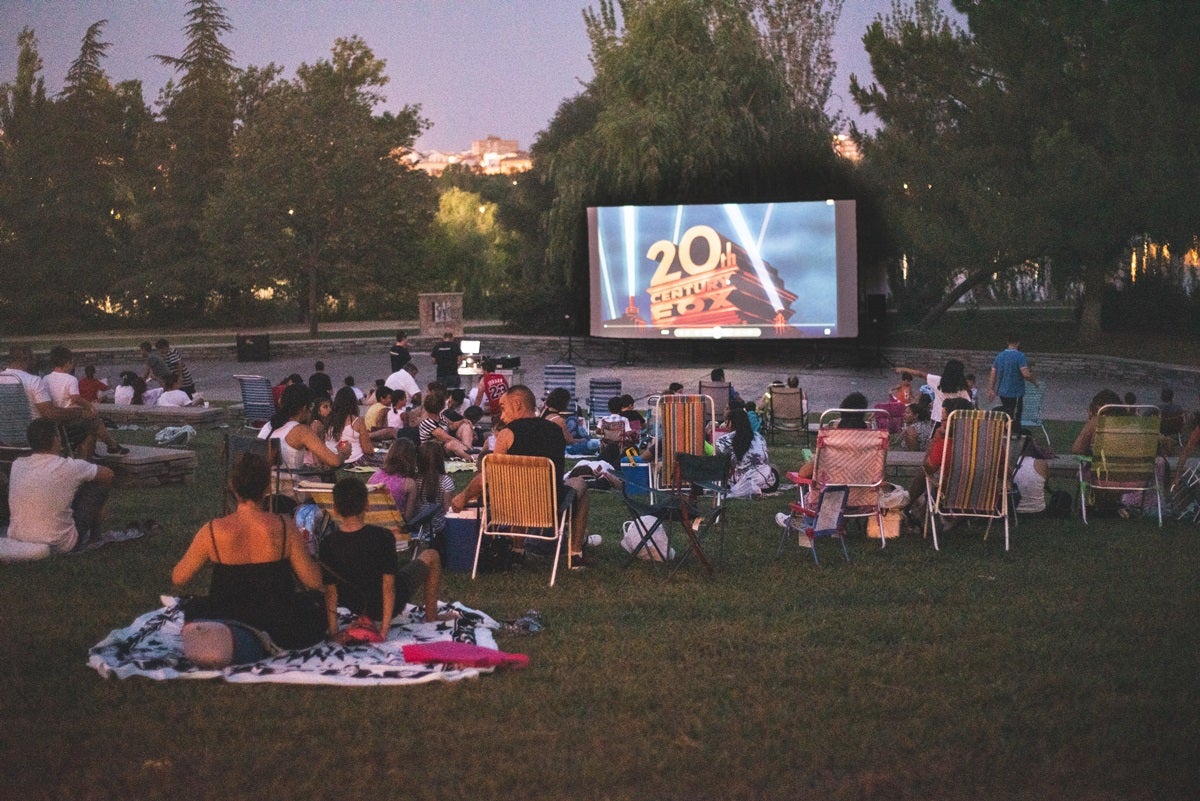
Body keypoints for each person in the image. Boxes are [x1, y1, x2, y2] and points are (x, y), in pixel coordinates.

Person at [172, 452, 326, 663]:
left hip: (227, 619)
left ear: (233, 487)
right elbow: (313, 581)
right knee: (317, 604)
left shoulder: (213, 530)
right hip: (280, 625)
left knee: (194, 607)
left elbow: (179, 578)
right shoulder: (283, 526)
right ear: (267, 488)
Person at [450, 385, 593, 566]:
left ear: (517, 404)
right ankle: (575, 553)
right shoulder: (556, 430)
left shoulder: (506, 434)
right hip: (550, 507)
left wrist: (463, 496)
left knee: (516, 484)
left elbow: (489, 476)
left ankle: (518, 550)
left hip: (512, 507)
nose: (501, 416)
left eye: (503, 408)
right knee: (580, 484)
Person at [319, 479, 453, 641]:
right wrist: (384, 629)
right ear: (366, 505)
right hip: (389, 604)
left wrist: (334, 632)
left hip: (355, 605)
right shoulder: (382, 537)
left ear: (335, 508)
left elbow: (331, 592)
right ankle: (432, 616)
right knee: (432, 555)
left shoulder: (327, 543)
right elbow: (389, 586)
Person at [6, 419, 114, 553]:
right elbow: (108, 474)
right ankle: (95, 537)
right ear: (56, 439)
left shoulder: (18, 464)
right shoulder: (69, 467)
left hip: (19, 538)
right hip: (60, 543)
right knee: (98, 485)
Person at [258, 384, 352, 491]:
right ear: (304, 408)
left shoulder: (268, 426)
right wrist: (343, 453)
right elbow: (334, 461)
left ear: (281, 402)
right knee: (325, 479)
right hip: (289, 493)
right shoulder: (301, 430)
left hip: (264, 490)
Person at [42, 345, 128, 457]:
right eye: (72, 363)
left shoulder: (45, 378)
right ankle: (111, 446)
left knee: (91, 427)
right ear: (67, 362)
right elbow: (75, 398)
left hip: (56, 417)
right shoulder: (70, 379)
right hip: (69, 417)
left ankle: (99, 450)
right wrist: (89, 406)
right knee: (95, 421)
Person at [716, 405, 773, 497]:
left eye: (727, 421)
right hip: (768, 480)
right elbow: (766, 458)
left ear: (731, 423)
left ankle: (750, 487)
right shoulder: (759, 436)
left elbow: (716, 459)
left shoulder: (725, 440)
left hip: (741, 480)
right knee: (772, 467)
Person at [892, 359, 972, 423]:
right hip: (953, 422)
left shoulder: (937, 381)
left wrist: (903, 369)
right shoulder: (962, 389)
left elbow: (920, 374)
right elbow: (969, 406)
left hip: (937, 418)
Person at [987, 336, 1037, 423]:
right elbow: (1025, 374)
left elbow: (993, 372)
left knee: (1007, 412)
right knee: (1015, 414)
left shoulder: (1000, 356)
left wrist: (991, 389)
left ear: (1007, 342)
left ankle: (1006, 429)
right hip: (1015, 392)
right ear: (1018, 343)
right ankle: (1014, 430)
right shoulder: (1020, 356)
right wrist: (1035, 382)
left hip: (1002, 391)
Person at [323, 386, 375, 466]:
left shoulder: (328, 420)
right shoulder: (357, 421)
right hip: (355, 460)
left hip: (333, 459)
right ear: (353, 402)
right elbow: (367, 449)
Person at [369, 438, 418, 519]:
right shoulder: (409, 484)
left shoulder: (375, 476)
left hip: (373, 523)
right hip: (395, 527)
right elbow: (408, 516)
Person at [418, 392, 476, 461]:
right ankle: (471, 456)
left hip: (446, 445)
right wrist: (462, 445)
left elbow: (451, 425)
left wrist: (462, 421)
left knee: (466, 425)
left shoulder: (439, 415)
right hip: (434, 449)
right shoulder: (427, 421)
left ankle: (469, 450)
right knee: (452, 443)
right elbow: (446, 438)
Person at [542, 387, 599, 456]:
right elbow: (570, 441)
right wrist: (583, 440)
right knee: (593, 444)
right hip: (564, 449)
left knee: (572, 419)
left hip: (548, 447)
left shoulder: (544, 414)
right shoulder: (559, 420)